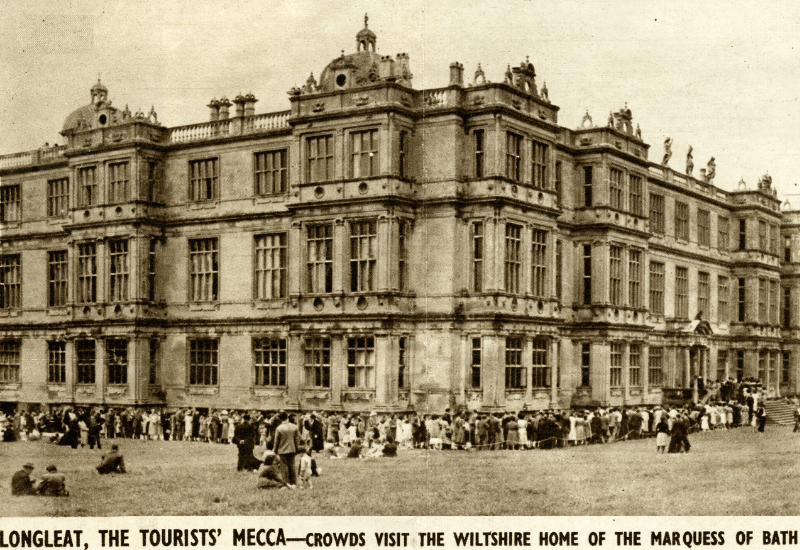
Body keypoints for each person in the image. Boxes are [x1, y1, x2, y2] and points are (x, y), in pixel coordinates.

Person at [273, 412, 300, 486]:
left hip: (282, 449)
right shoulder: (294, 427)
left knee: (284, 466)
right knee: (292, 466)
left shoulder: (279, 428)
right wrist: (297, 448)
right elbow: (297, 439)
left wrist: (275, 450)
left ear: (280, 418)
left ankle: (286, 482)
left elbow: (276, 441)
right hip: (292, 449)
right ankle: (293, 482)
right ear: (287, 417)